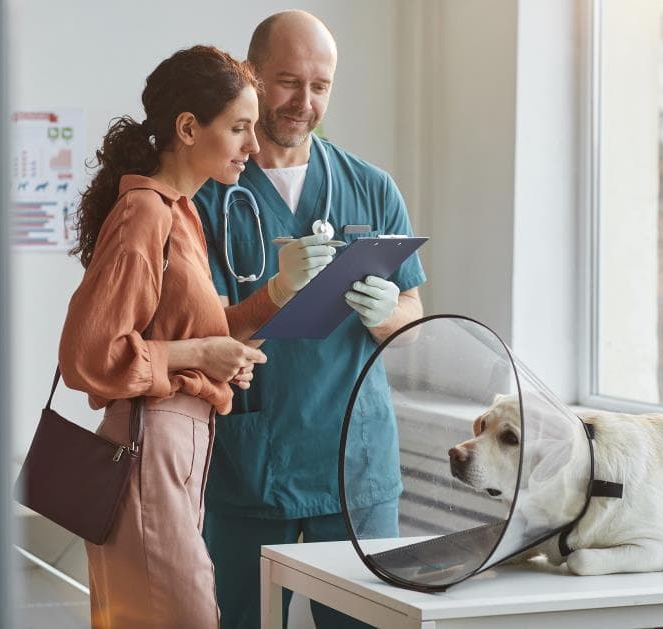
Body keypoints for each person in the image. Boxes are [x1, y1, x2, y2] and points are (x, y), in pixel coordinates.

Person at [58, 45, 332, 628]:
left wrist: (271, 299)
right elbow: (89, 356)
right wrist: (202, 355)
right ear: (188, 128)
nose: (254, 145)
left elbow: (201, 332)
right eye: (238, 128)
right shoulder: (146, 214)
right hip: (148, 448)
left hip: (177, 447)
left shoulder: (180, 213)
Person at [194, 11, 427, 628]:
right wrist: (276, 291)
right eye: (287, 81)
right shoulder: (205, 197)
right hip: (250, 465)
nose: (304, 101)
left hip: (354, 467)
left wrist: (386, 316)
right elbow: (195, 333)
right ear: (251, 77)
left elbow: (413, 309)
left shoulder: (371, 186)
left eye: (319, 86)